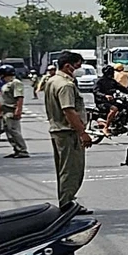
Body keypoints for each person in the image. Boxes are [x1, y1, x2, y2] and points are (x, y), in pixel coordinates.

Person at [42, 52, 91, 213]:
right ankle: (67, 203)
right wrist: (82, 132)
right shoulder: (65, 85)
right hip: (68, 132)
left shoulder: (52, 81)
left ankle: (66, 199)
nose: (79, 69)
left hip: (58, 131)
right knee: (72, 169)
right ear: (68, 66)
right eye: (77, 65)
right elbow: (69, 110)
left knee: (64, 168)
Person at [0, 65, 28, 158]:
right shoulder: (6, 84)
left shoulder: (16, 83)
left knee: (14, 131)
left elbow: (19, 97)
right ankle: (16, 149)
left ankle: (22, 150)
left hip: (12, 110)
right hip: (5, 111)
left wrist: (18, 110)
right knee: (9, 132)